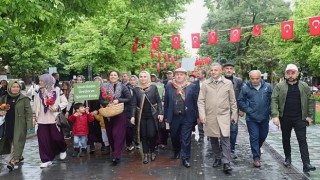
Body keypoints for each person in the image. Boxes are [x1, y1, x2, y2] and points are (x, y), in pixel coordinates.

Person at [271, 64, 316, 173]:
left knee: (302, 140)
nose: (290, 75)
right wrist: (275, 115)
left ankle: (306, 163)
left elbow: (310, 100)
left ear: (297, 74)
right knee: (286, 138)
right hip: (285, 117)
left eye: (293, 73)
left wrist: (310, 116)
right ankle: (288, 158)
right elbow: (274, 99)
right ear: (286, 74)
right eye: (288, 73)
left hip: (300, 118)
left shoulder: (304, 86)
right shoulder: (280, 86)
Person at [198, 62, 237, 172]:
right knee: (214, 139)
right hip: (210, 116)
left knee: (225, 138)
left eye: (216, 70)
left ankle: (226, 162)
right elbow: (200, 101)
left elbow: (232, 100)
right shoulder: (205, 84)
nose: (213, 72)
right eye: (212, 70)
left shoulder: (228, 83)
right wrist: (202, 115)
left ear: (221, 71)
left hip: (224, 115)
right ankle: (217, 158)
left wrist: (234, 114)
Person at [164, 68, 198, 168]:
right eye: (177, 74)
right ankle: (177, 150)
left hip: (187, 117)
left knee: (186, 138)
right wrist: (166, 115)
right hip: (174, 116)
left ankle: (185, 158)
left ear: (185, 76)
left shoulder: (192, 87)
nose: (179, 76)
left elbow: (196, 102)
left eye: (181, 74)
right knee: (174, 136)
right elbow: (166, 102)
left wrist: (198, 116)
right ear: (175, 76)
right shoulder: (169, 86)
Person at [237, 70, 272, 167]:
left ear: (260, 77)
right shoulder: (245, 88)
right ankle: (256, 158)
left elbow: (272, 100)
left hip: (264, 117)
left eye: (257, 78)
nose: (255, 80)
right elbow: (240, 101)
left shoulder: (267, 87)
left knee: (263, 136)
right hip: (251, 118)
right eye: (252, 78)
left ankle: (257, 148)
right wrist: (248, 110)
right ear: (249, 78)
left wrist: (271, 112)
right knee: (254, 137)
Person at [34, 74, 68, 168]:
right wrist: (35, 117)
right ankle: (46, 159)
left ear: (47, 81)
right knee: (43, 141)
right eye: (39, 80)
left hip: (53, 118)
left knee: (56, 137)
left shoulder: (57, 90)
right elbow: (36, 105)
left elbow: (65, 102)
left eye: (41, 80)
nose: (40, 82)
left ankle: (62, 148)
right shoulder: (38, 91)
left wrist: (57, 108)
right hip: (41, 119)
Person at [131, 71, 163, 164]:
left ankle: (152, 151)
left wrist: (160, 113)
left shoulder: (153, 87)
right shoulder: (136, 89)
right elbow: (133, 104)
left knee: (151, 134)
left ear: (148, 77)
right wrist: (133, 116)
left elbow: (159, 101)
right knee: (143, 135)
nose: (143, 78)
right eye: (141, 76)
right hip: (141, 116)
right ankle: (145, 154)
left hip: (152, 116)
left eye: (145, 76)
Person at [0, 80, 33, 171]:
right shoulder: (4, 98)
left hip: (19, 124)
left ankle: (12, 161)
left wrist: (30, 124)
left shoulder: (24, 98)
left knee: (16, 141)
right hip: (7, 124)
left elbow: (28, 112)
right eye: (13, 87)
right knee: (10, 140)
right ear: (9, 87)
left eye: (17, 87)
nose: (16, 89)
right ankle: (19, 156)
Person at [100, 70, 131, 166]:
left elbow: (129, 98)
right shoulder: (103, 86)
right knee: (110, 134)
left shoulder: (123, 86)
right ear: (109, 76)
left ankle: (117, 155)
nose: (113, 76)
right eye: (111, 75)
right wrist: (107, 103)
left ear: (118, 77)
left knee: (117, 134)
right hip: (108, 114)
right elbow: (100, 99)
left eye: (115, 75)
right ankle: (115, 151)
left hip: (120, 113)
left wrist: (118, 100)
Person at [222, 62, 243, 159]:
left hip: (233, 110)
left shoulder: (238, 81)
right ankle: (223, 149)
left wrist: (241, 109)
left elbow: (242, 96)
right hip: (221, 110)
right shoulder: (219, 80)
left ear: (233, 70)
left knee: (233, 130)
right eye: (227, 68)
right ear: (223, 70)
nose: (229, 70)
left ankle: (232, 149)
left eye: (231, 68)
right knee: (221, 130)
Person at [193, 69, 206, 143]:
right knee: (199, 120)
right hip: (198, 104)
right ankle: (201, 136)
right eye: (197, 73)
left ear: (204, 75)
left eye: (199, 73)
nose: (197, 75)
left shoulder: (209, 83)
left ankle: (210, 136)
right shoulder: (194, 84)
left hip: (208, 105)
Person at [127, 75, 139, 150]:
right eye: (131, 80)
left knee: (136, 127)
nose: (132, 81)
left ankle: (137, 142)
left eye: (134, 80)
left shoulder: (139, 88)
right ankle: (129, 143)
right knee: (129, 128)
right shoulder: (126, 88)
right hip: (128, 110)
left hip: (137, 110)